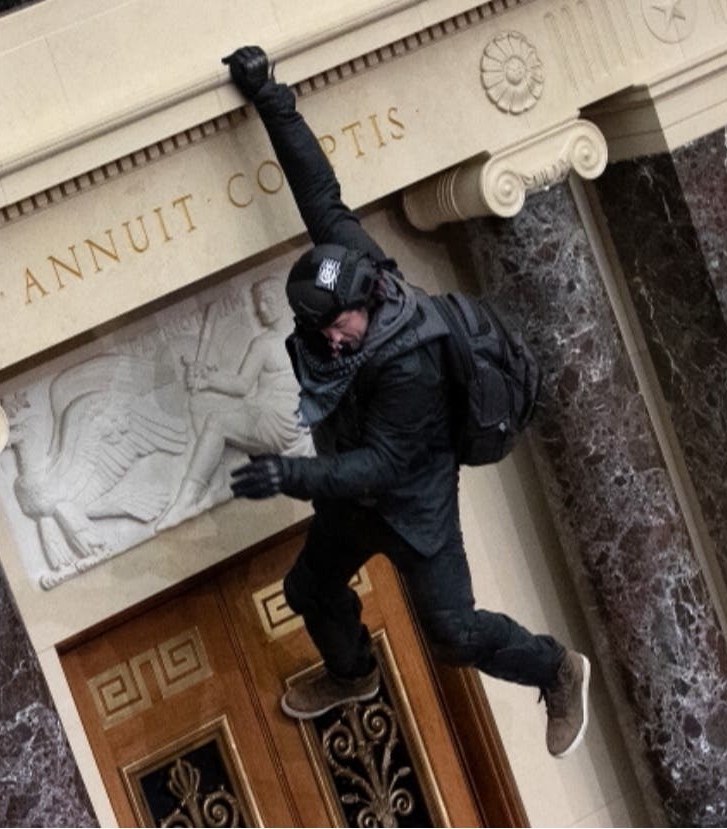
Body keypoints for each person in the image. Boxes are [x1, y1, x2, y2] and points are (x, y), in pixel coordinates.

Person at [222, 45, 591, 758]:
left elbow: (379, 465)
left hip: (411, 500)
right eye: (317, 329)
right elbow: (318, 193)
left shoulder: (408, 363)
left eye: (338, 326)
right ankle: (352, 672)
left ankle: (554, 667)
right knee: (308, 588)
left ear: (367, 302)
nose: (330, 340)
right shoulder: (353, 264)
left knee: (452, 633)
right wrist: (270, 97)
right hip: (353, 499)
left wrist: (288, 475)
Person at [157, 277, 311, 530]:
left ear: (285, 300)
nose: (261, 307)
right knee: (205, 405)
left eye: (268, 300)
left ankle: (186, 500)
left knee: (217, 421)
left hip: (279, 420)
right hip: (272, 414)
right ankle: (216, 482)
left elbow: (241, 386)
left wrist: (208, 378)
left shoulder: (271, 344)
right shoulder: (294, 338)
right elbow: (241, 386)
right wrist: (207, 379)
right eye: (258, 302)